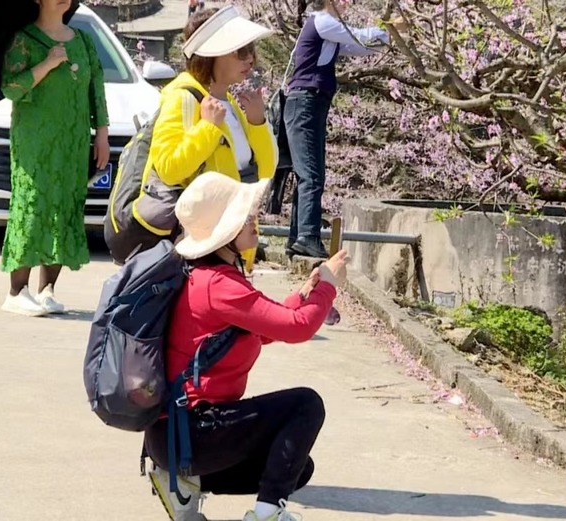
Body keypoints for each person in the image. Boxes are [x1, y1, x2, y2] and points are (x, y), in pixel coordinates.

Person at [143, 172, 349, 521]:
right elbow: (298, 329)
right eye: (245, 216)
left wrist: (304, 294)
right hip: (192, 431)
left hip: (178, 435)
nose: (255, 220)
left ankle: (181, 481)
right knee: (305, 404)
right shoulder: (219, 285)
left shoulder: (203, 276)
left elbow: (260, 329)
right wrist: (328, 286)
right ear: (224, 230)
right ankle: (267, 514)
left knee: (297, 468)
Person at [109, 6, 277, 272]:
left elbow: (263, 173)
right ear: (213, 54)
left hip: (226, 248)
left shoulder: (230, 103)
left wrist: (257, 123)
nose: (250, 60)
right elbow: (169, 168)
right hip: (194, 252)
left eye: (252, 51)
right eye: (241, 52)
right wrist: (208, 130)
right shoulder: (183, 97)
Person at [0, 0, 109, 316]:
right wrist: (46, 63)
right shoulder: (24, 39)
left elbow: (96, 87)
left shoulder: (83, 39)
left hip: (73, 140)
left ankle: (47, 290)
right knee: (33, 204)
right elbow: (10, 88)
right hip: (36, 140)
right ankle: (16, 291)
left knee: (65, 203)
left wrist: (101, 132)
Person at [284, 0, 404, 258]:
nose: (347, 3)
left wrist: (391, 34)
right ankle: (306, 236)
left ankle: (298, 236)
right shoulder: (322, 21)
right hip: (305, 101)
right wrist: (389, 27)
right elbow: (356, 35)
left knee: (310, 173)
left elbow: (361, 46)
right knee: (311, 174)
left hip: (310, 102)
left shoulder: (329, 30)